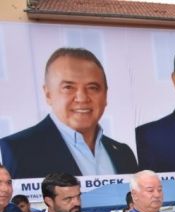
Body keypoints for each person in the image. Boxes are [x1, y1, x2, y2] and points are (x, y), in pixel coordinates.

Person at [0, 48, 137, 179]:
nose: (82, 98)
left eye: (92, 88)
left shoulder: (123, 154)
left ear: (105, 95)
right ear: (48, 94)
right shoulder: (18, 150)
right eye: (68, 87)